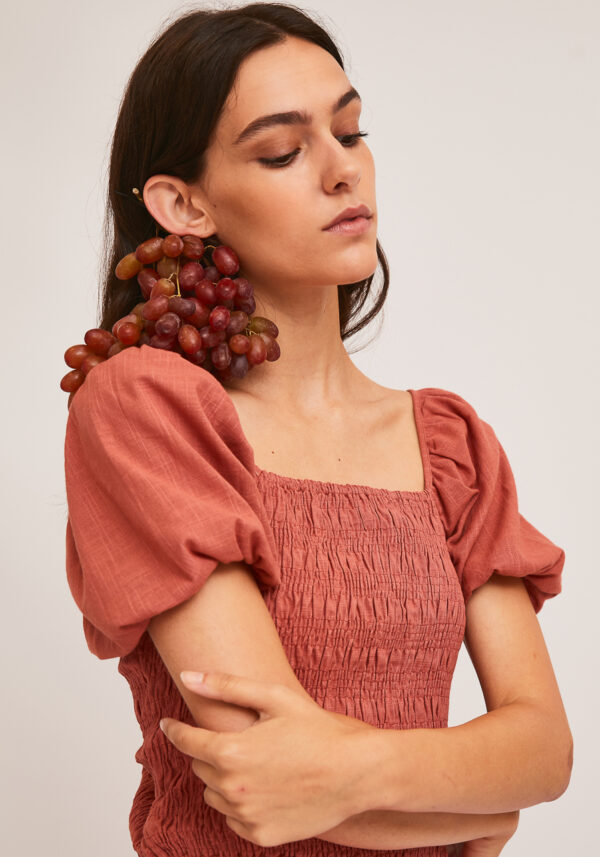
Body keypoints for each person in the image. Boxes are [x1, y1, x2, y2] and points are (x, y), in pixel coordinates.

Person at [63, 4, 572, 856]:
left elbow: (545, 749)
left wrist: (468, 788)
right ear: (182, 203)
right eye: (282, 150)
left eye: (351, 131)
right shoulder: (146, 409)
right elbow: (262, 778)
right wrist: (478, 800)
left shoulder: (450, 444)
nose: (344, 172)